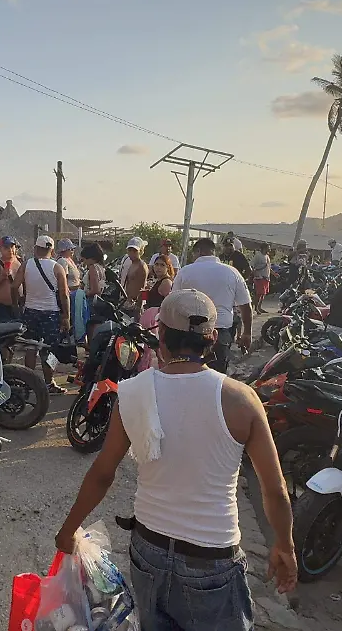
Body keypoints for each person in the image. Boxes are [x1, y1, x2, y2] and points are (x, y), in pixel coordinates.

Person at [55, 289, 297, 631]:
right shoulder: (241, 400)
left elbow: (102, 474)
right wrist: (285, 544)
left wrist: (68, 530)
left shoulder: (133, 392)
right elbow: (275, 490)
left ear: (161, 335)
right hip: (211, 562)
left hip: (147, 553)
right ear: (212, 338)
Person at [172, 238, 253, 373]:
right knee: (217, 376)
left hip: (191, 333)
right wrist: (247, 333)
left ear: (198, 251)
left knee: (190, 374)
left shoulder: (185, 272)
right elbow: (245, 306)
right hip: (221, 333)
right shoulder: (232, 272)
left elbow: (173, 302)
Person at [14, 236, 72, 394]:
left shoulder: (26, 265)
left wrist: (19, 302)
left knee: (31, 348)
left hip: (30, 312)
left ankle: (27, 383)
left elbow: (14, 286)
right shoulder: (57, 267)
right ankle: (49, 383)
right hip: (51, 314)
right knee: (49, 350)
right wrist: (66, 316)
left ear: (36, 248)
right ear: (51, 250)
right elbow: (64, 295)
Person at [122, 238, 150, 313]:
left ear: (140, 251)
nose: (131, 253)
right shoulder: (132, 264)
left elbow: (144, 289)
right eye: (130, 250)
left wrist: (139, 306)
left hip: (136, 304)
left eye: (134, 251)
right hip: (128, 302)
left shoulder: (142, 266)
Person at [250, 244, 273, 314]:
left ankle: (259, 307)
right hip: (260, 278)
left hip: (266, 278)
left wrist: (274, 273)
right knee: (259, 294)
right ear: (264, 248)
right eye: (268, 248)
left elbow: (268, 267)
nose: (269, 249)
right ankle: (254, 308)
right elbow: (251, 265)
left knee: (263, 294)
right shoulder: (258, 256)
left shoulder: (267, 256)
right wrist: (255, 273)